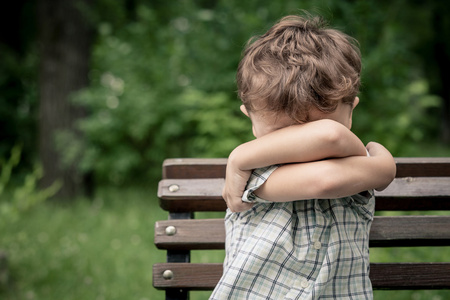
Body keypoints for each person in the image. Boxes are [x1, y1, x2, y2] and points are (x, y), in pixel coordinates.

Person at [210, 14, 396, 300]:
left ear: (351, 111)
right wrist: (241, 157)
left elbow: (333, 141)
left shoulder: (245, 165)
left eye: (309, 130)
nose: (302, 147)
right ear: (249, 117)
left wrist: (240, 156)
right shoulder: (251, 176)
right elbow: (329, 155)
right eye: (283, 133)